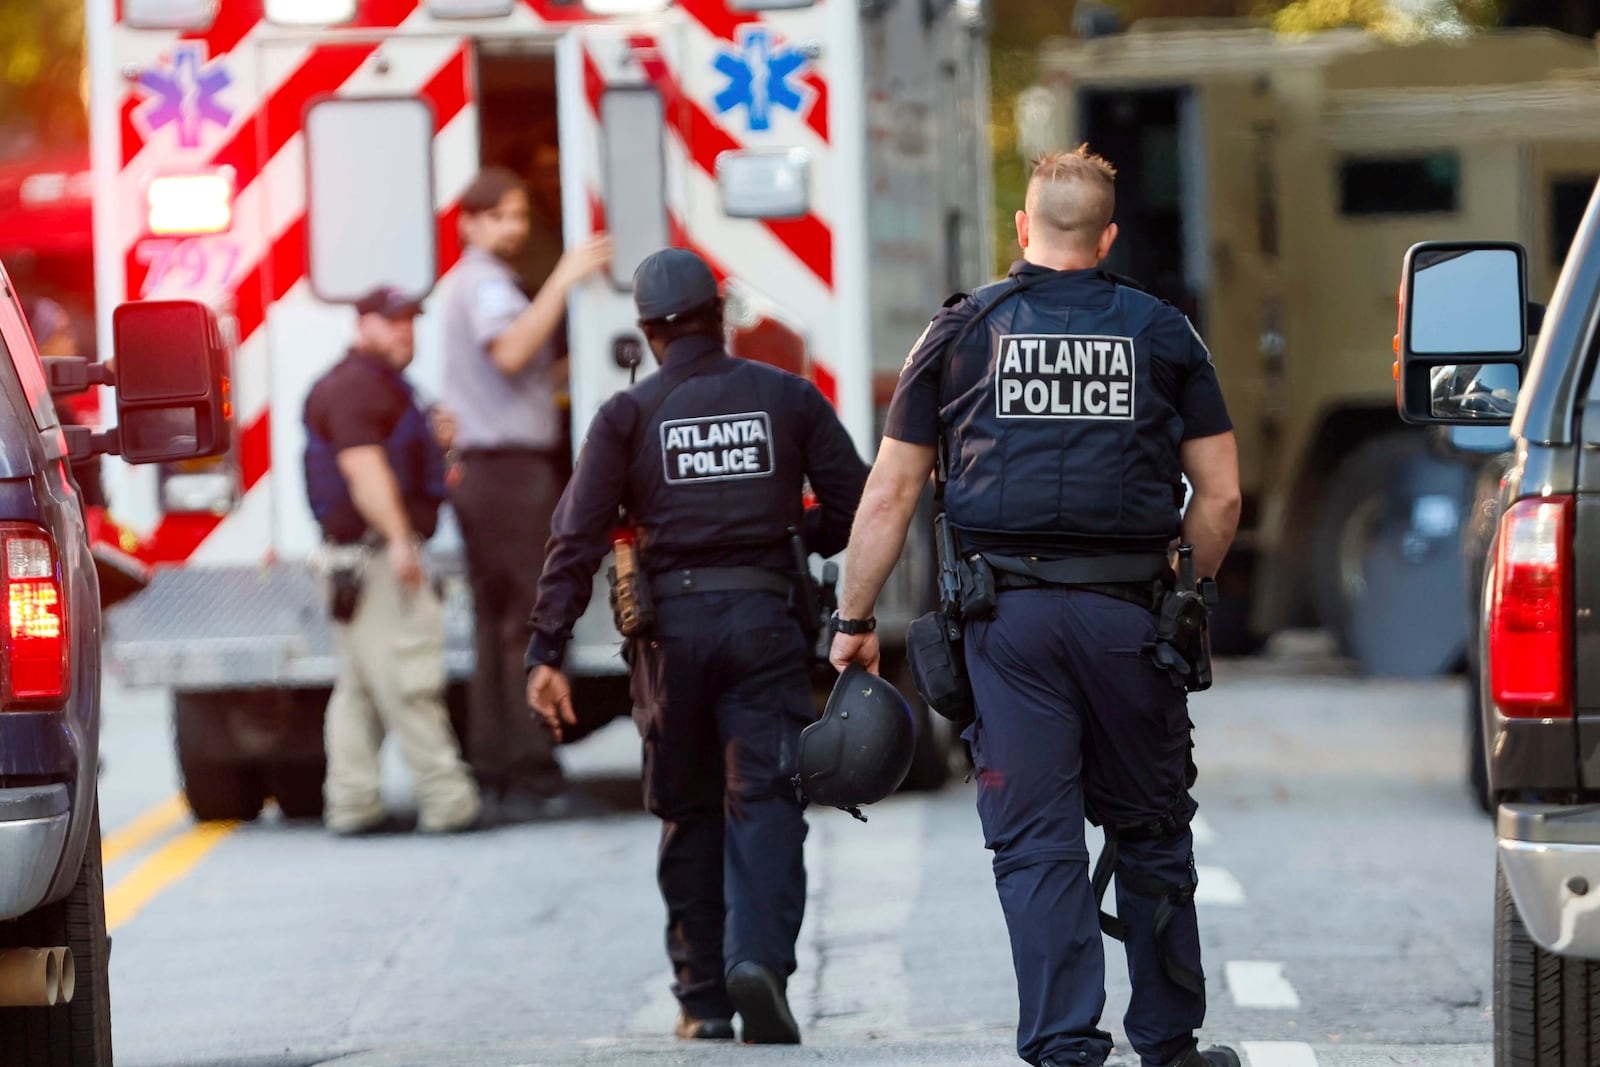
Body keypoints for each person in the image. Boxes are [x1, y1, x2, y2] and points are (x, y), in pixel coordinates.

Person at [827, 147, 1244, 1067]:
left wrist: (853, 621)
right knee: (1151, 826)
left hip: (1006, 625)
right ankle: (1171, 1047)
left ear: (1023, 228)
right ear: (1108, 237)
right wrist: (1186, 585)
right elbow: (1219, 498)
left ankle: (1064, 1046)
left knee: (1036, 839)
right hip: (1132, 621)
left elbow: (892, 493)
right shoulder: (1164, 331)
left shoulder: (961, 330)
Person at [524, 248, 868, 1045]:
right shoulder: (788, 397)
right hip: (764, 622)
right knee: (768, 798)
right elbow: (857, 502)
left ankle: (704, 996)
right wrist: (792, 538)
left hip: (670, 639)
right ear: (720, 316)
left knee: (687, 809)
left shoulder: (627, 416)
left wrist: (545, 648)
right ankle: (762, 963)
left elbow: (574, 538)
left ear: (647, 331)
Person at [442, 166, 611, 821]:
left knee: (496, 628)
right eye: (504, 216)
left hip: (485, 474)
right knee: (528, 625)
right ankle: (532, 769)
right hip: (511, 473)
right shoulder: (486, 281)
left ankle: (497, 765)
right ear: (471, 222)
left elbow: (524, 361)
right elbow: (512, 351)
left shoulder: (474, 282)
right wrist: (566, 279)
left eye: (520, 216)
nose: (516, 227)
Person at [303, 285, 482, 837]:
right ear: (362, 326)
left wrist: (443, 445)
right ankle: (448, 800)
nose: (404, 330)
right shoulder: (358, 387)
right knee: (410, 678)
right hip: (378, 557)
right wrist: (402, 539)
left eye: (410, 321)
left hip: (358, 559)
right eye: (391, 320)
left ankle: (353, 803)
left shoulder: (384, 387)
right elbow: (363, 469)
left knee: (358, 689)